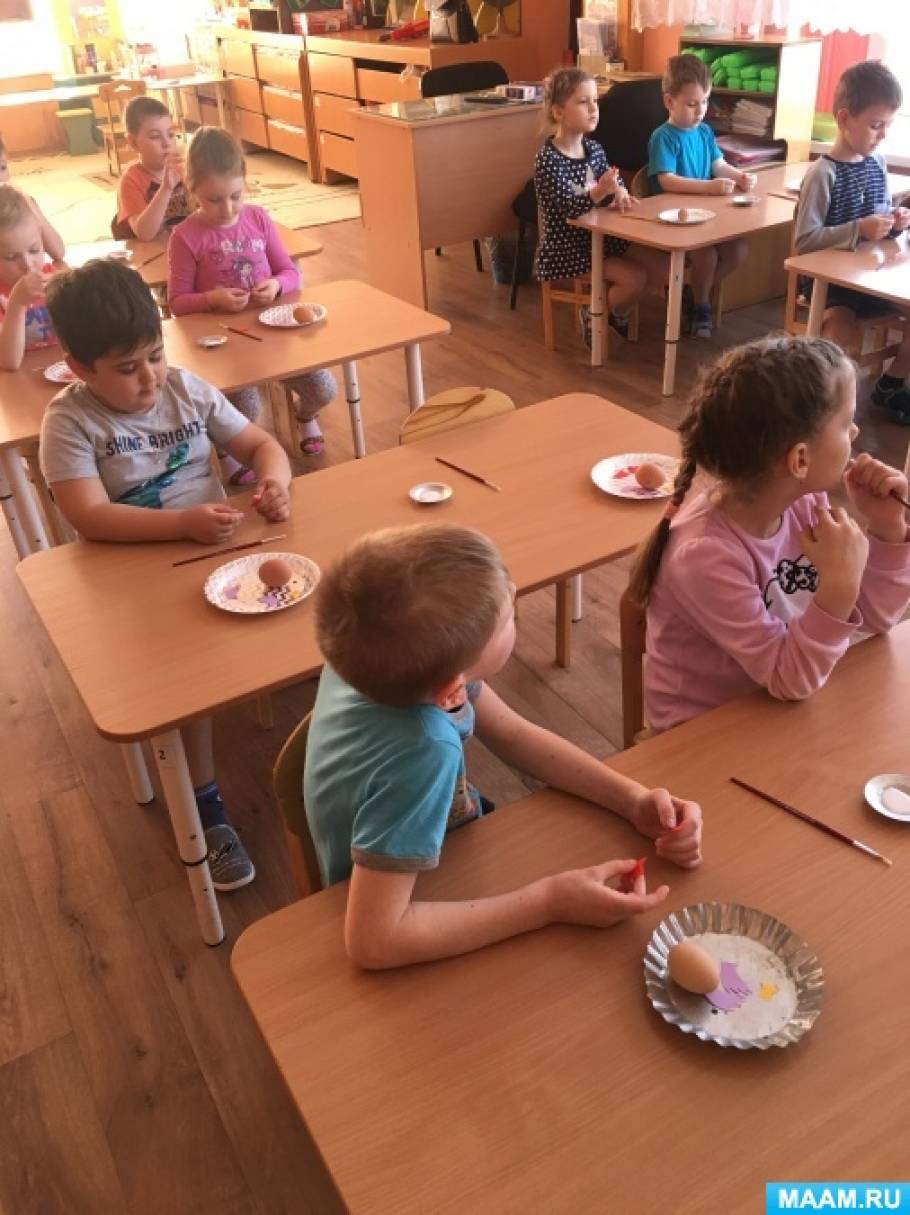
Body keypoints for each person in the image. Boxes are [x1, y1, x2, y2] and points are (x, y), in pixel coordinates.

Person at [304, 523, 703, 969]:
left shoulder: (384, 662)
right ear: (452, 688)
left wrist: (631, 799)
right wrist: (549, 902)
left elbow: (513, 734)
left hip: (425, 855)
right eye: (507, 615)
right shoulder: (424, 749)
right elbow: (373, 942)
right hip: (405, 894)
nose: (514, 591)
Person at [40, 257, 293, 890]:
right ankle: (205, 804)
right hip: (130, 576)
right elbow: (90, 516)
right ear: (79, 368)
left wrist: (274, 482)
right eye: (127, 368)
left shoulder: (186, 388)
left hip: (211, 549)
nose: (150, 377)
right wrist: (180, 524)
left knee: (303, 622)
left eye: (155, 355)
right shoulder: (69, 421)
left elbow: (261, 445)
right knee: (188, 685)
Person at [628, 335, 910, 734]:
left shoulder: (805, 504)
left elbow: (876, 619)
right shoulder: (704, 556)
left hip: (782, 705)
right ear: (800, 459)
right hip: (707, 736)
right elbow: (789, 678)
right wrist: (839, 587)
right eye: (845, 422)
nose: (855, 432)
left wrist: (887, 529)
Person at [168, 127, 336, 472]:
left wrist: (275, 285)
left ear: (245, 183)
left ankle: (304, 416)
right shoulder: (185, 236)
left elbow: (289, 272)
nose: (227, 208)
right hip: (225, 346)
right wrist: (212, 299)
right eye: (214, 199)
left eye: (236, 195)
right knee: (246, 409)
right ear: (192, 189)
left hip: (274, 338)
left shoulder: (258, 218)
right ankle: (227, 448)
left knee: (323, 389)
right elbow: (178, 303)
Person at [794, 60, 910, 423]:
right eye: (876, 125)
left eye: (888, 125)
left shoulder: (876, 163)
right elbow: (804, 241)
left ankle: (891, 384)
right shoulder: (822, 173)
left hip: (868, 275)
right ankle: (815, 400)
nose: (883, 134)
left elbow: (879, 219)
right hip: (829, 283)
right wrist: (859, 228)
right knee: (839, 326)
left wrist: (894, 223)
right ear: (845, 119)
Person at [534, 67, 666, 346]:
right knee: (633, 279)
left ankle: (613, 313)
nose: (594, 108)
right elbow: (571, 209)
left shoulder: (594, 149)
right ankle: (596, 313)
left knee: (662, 269)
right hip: (569, 247)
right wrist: (601, 190)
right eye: (583, 102)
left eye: (595, 101)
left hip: (603, 236)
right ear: (558, 112)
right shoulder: (548, 159)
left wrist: (620, 193)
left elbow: (611, 182)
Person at [647, 54, 755, 339]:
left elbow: (718, 164)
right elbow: (666, 180)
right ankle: (701, 305)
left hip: (706, 217)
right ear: (669, 101)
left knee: (738, 250)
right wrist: (708, 187)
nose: (700, 111)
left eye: (705, 101)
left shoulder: (704, 131)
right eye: (692, 104)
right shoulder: (663, 136)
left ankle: (693, 292)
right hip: (675, 221)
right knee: (706, 255)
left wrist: (739, 176)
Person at [111, 96, 191, 242]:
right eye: (155, 136)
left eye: (171, 134)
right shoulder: (131, 180)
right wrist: (166, 188)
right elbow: (144, 234)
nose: (167, 143)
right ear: (134, 143)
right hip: (156, 252)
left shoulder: (186, 170)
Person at [0, 184, 59, 371]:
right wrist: (17, 303)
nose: (27, 264)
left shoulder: (54, 279)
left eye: (34, 250)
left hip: (57, 370)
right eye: (11, 257)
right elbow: (8, 361)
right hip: (17, 381)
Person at [0, 131, 66, 262]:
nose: (1, 178)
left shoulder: (21, 201)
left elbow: (58, 251)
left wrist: (26, 201)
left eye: (2, 167)